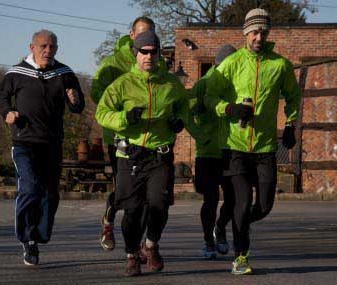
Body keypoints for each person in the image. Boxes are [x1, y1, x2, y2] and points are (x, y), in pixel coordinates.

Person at [205, 8, 301, 275]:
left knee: (264, 206)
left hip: (265, 146)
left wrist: (291, 124)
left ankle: (228, 224)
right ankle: (241, 257)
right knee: (243, 202)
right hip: (235, 146)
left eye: (263, 32)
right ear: (246, 33)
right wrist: (229, 109)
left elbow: (294, 96)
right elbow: (210, 96)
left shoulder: (279, 65)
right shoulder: (232, 63)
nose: (259, 37)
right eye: (254, 32)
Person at [95, 30, 199, 276]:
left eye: (154, 52)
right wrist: (124, 117)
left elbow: (184, 106)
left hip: (159, 154)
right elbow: (102, 113)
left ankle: (150, 245)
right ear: (135, 53)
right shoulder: (122, 85)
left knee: (159, 204)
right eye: (144, 51)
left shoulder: (171, 84)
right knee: (132, 211)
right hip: (130, 155)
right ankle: (131, 255)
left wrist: (179, 120)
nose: (149, 56)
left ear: (159, 53)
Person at [0, 29, 84, 266]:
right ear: (32, 47)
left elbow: (78, 105)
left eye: (52, 47)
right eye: (43, 46)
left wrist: (75, 100)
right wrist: (8, 112)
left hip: (52, 143)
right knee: (29, 187)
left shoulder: (64, 73)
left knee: (50, 194)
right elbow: (1, 96)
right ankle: (27, 239)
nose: (48, 51)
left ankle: (40, 235)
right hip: (24, 142)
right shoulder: (16, 73)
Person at [91, 16, 156, 251]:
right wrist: (124, 113)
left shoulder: (158, 62)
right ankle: (108, 221)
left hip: (150, 139)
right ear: (131, 35)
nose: (145, 40)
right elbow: (97, 94)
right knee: (125, 192)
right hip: (120, 137)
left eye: (150, 34)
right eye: (141, 34)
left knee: (147, 194)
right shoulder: (113, 63)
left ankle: (137, 245)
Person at [189, 45, 237, 260]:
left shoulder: (237, 84)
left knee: (234, 199)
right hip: (207, 151)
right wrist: (201, 135)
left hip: (232, 149)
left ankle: (221, 226)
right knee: (210, 199)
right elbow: (186, 113)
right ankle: (208, 240)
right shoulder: (202, 85)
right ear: (218, 64)